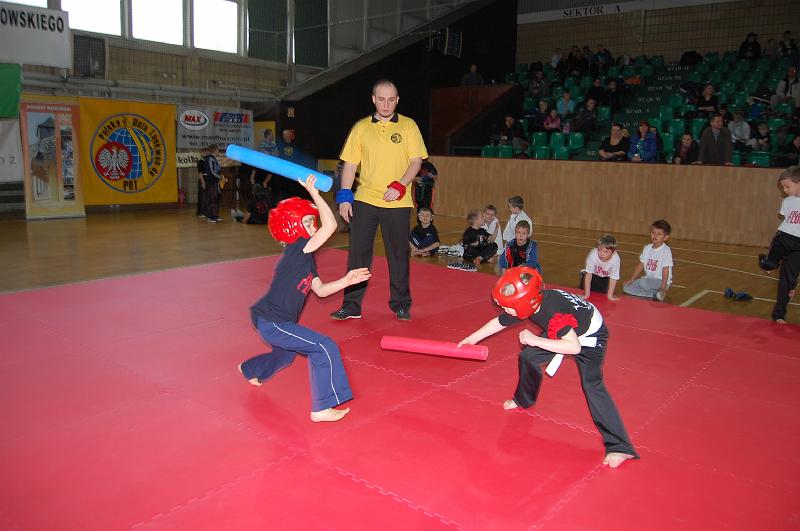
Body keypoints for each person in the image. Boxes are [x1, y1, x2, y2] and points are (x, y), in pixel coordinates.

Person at [458, 267, 639, 468]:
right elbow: (499, 322)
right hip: (567, 329)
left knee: (592, 385)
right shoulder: (530, 302)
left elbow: (574, 347)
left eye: (508, 307)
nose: (505, 310)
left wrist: (535, 340)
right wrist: (472, 339)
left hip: (591, 336)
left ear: (524, 303)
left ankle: (620, 446)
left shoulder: (551, 312)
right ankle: (524, 399)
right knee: (528, 356)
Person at [239, 175, 370, 422]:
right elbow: (330, 227)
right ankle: (322, 408)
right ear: (294, 229)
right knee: (324, 346)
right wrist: (315, 194)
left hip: (272, 319)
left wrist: (346, 281)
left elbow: (321, 291)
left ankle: (250, 369)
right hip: (273, 321)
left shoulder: (305, 259)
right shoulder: (298, 249)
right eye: (308, 223)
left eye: (312, 222)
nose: (314, 227)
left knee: (285, 354)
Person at [332, 79, 427, 322]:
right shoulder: (361, 128)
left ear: (397, 100)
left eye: (391, 100)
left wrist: (400, 185)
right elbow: (350, 164)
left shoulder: (409, 126)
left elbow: (416, 162)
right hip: (365, 200)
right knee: (358, 254)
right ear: (373, 99)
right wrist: (345, 196)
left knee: (398, 255)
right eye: (381, 99)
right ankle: (351, 305)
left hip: (397, 202)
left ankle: (401, 304)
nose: (386, 104)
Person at [758, 166, 800, 323]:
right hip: (783, 238)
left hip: (798, 246)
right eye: (783, 187)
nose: (784, 190)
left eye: (787, 186)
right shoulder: (787, 201)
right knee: (769, 265)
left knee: (788, 280)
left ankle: (779, 315)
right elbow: (786, 221)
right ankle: (766, 261)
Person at [623, 219, 674, 301]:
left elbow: (665, 270)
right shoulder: (647, 248)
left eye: (659, 234)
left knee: (642, 283)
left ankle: (659, 292)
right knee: (626, 287)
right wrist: (632, 279)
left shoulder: (666, 250)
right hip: (648, 281)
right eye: (653, 232)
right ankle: (653, 295)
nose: (655, 236)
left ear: (665, 237)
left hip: (660, 282)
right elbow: (640, 265)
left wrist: (663, 287)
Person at [581, 234, 621, 301]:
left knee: (603, 295)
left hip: (606, 276)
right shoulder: (593, 255)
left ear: (613, 253)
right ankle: (583, 274)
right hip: (593, 274)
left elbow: (613, 278)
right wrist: (586, 294)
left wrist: (610, 296)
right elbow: (589, 275)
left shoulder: (616, 259)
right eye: (599, 250)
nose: (601, 254)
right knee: (591, 292)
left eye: (606, 251)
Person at [200, 144, 223, 223]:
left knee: (216, 198)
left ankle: (215, 215)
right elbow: (211, 171)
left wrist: (220, 175)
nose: (218, 151)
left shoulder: (214, 158)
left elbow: (217, 169)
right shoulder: (209, 159)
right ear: (214, 150)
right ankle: (210, 216)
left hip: (215, 181)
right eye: (218, 150)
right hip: (211, 181)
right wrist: (219, 176)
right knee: (211, 198)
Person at [195, 146, 209, 219]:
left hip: (208, 178)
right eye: (206, 153)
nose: (207, 154)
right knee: (202, 196)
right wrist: (203, 182)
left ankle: (207, 211)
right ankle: (200, 212)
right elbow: (200, 173)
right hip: (203, 178)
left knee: (207, 196)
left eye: (208, 153)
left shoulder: (208, 161)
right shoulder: (200, 162)